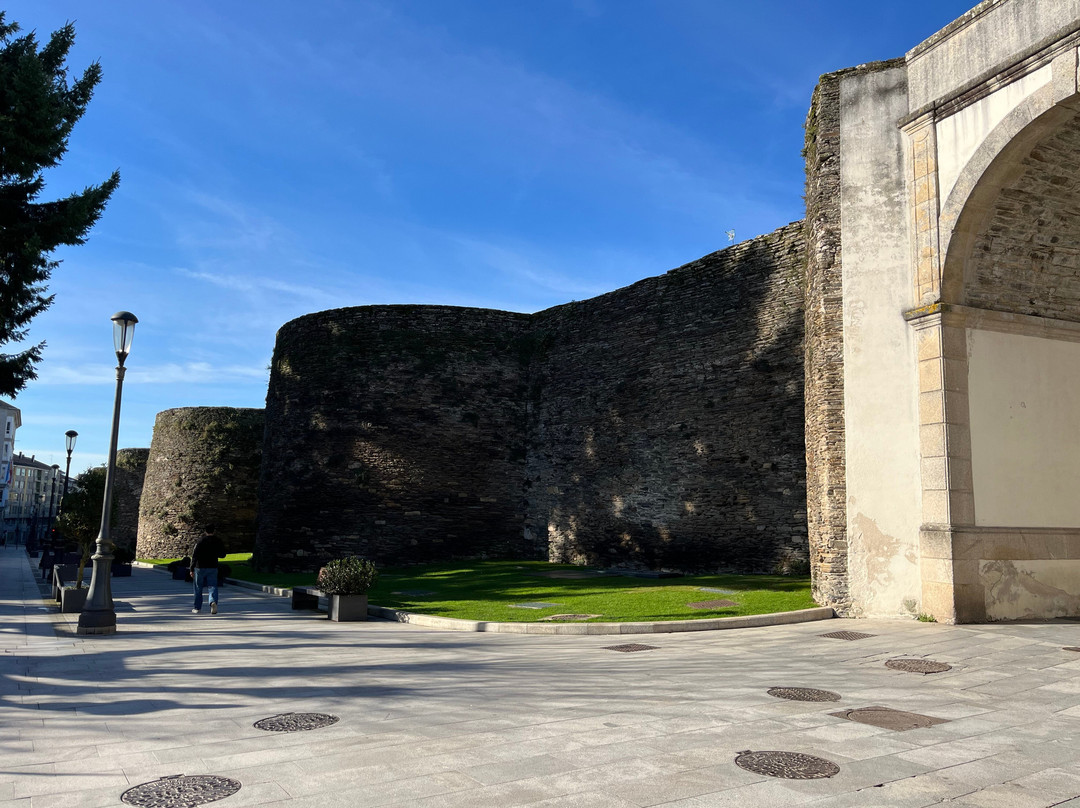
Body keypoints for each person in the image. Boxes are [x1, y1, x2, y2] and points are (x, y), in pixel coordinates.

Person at [190, 524, 226, 615]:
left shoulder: (200, 541)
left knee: (198, 588)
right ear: (214, 531)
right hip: (213, 566)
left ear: (205, 531)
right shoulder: (218, 541)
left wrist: (191, 568)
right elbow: (223, 555)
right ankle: (213, 602)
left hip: (200, 567)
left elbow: (194, 556)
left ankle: (197, 607)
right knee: (212, 586)